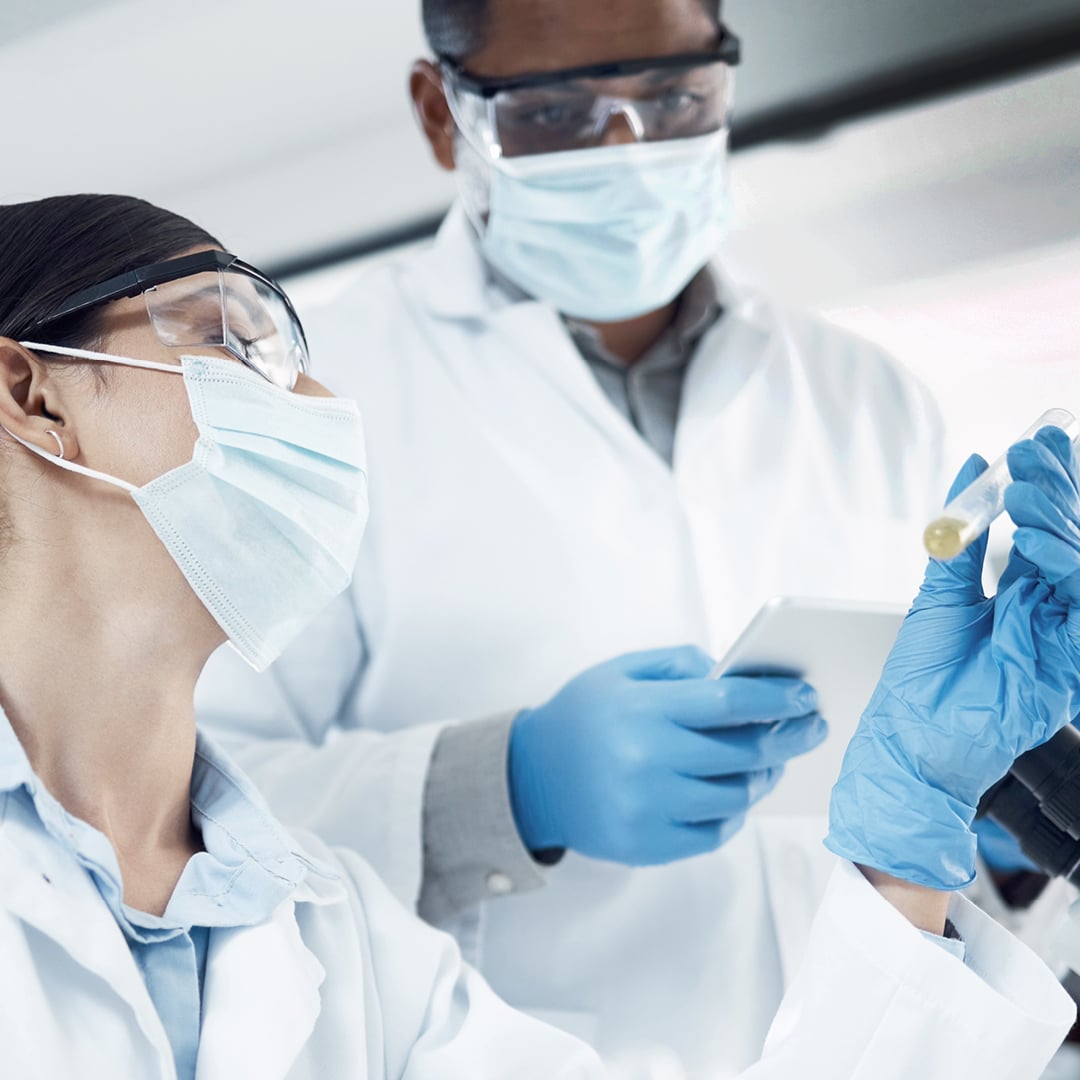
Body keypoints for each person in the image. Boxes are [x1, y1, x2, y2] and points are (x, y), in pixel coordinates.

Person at [2, 192, 1079, 1080]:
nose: (321, 402)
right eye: (230, 334)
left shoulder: (343, 943)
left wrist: (910, 847)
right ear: (30, 389)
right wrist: (509, 783)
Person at [194, 0, 996, 1071]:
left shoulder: (868, 398)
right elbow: (181, 800)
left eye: (674, 99)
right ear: (443, 114)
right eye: (560, 113)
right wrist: (502, 786)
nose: (632, 150)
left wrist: (1006, 802)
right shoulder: (315, 402)